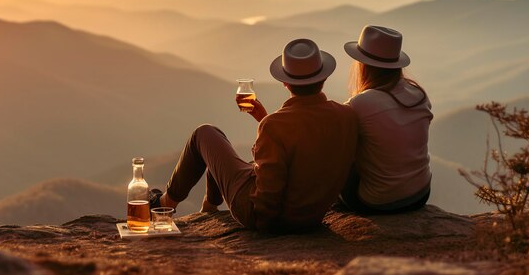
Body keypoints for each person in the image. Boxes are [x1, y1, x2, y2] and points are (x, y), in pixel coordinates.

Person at [151, 38, 358, 232]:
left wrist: (267, 127)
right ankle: (209, 208)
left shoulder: (275, 126)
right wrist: (264, 120)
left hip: (268, 218)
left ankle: (164, 204)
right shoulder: (347, 116)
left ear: (285, 83)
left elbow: (266, 203)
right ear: (324, 78)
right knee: (228, 158)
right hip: (310, 218)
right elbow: (307, 152)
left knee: (205, 134)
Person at [340, 25, 433, 214]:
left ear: (363, 65)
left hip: (377, 201)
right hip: (421, 193)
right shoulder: (419, 95)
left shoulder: (359, 104)